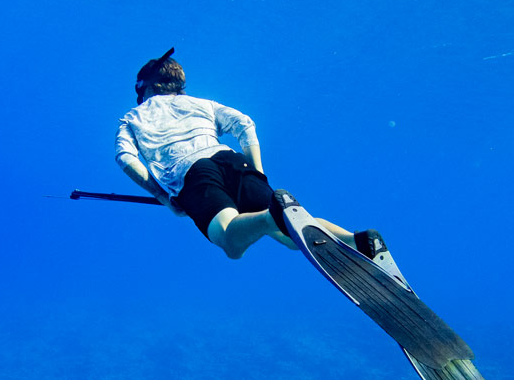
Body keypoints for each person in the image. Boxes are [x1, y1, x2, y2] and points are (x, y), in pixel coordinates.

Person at [115, 48, 360, 260]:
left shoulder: (132, 118)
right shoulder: (203, 104)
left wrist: (162, 196)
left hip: (193, 174)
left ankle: (269, 215)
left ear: (145, 86)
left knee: (231, 243)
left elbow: (125, 157)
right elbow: (244, 124)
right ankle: (356, 240)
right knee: (290, 233)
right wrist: (258, 174)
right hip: (233, 162)